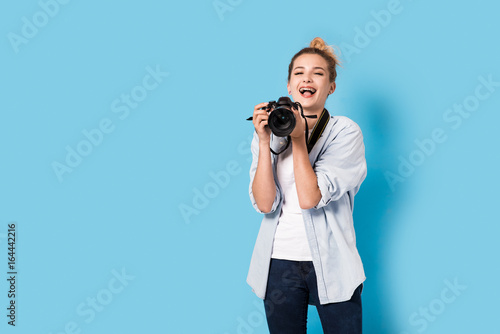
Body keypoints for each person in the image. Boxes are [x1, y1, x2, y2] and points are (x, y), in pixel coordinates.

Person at [247, 37, 367, 333]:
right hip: (279, 261)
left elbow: (311, 197)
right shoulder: (272, 131)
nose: (307, 78)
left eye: (318, 73)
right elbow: (264, 204)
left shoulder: (345, 132)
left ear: (331, 87)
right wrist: (264, 143)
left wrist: (299, 140)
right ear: (289, 87)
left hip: (333, 258)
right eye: (299, 72)